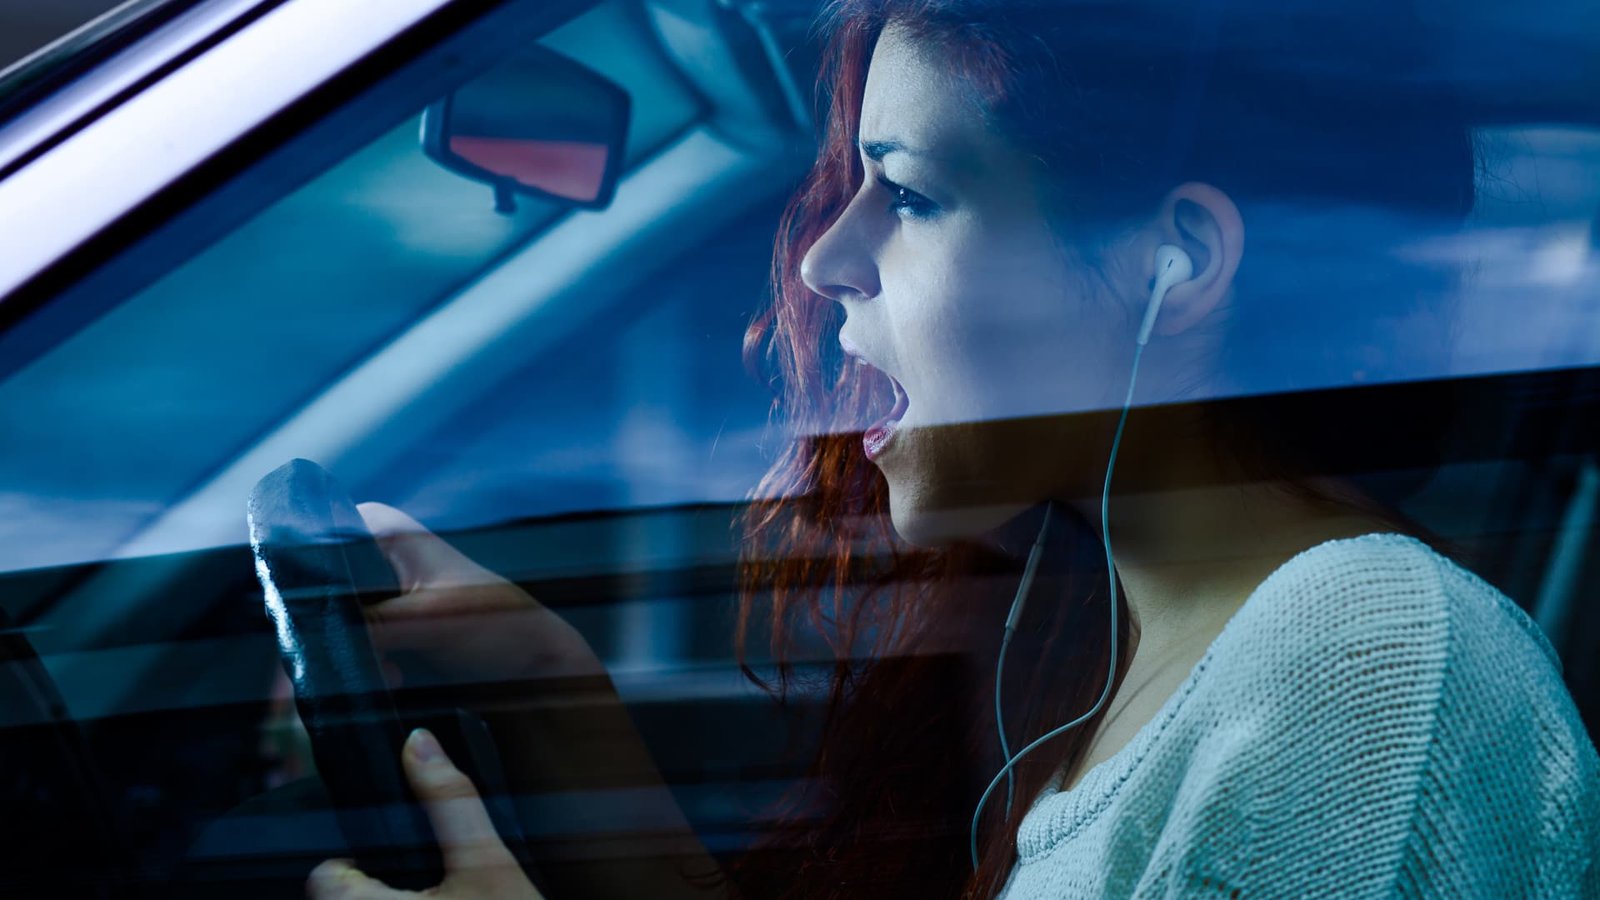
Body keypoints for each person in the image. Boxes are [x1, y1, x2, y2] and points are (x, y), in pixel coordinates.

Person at [307, 0, 1600, 897]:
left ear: (1179, 261)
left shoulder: (1368, 671)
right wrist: (543, 684)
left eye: (914, 194)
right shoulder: (1080, 613)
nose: (826, 258)